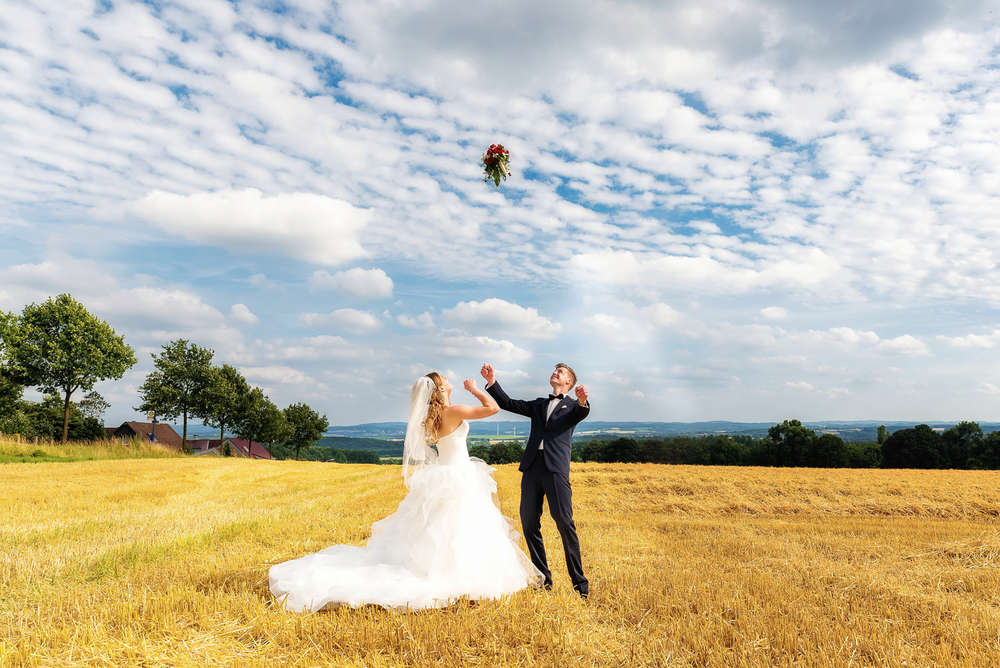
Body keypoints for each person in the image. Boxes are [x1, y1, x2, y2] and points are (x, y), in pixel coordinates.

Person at [268, 372, 543, 611]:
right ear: (440, 389)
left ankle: (439, 569)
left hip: (442, 474)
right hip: (459, 475)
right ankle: (460, 576)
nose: (449, 380)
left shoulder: (431, 419)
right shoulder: (454, 412)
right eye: (445, 379)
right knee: (462, 526)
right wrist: (474, 390)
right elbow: (493, 408)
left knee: (442, 527)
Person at [482, 362, 591, 598]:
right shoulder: (540, 404)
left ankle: (580, 585)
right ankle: (543, 580)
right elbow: (508, 403)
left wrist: (583, 400)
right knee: (529, 523)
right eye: (555, 370)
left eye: (560, 372)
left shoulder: (574, 407)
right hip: (532, 468)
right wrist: (491, 382)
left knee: (565, 524)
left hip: (555, 471)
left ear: (569, 382)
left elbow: (582, 411)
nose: (555, 372)